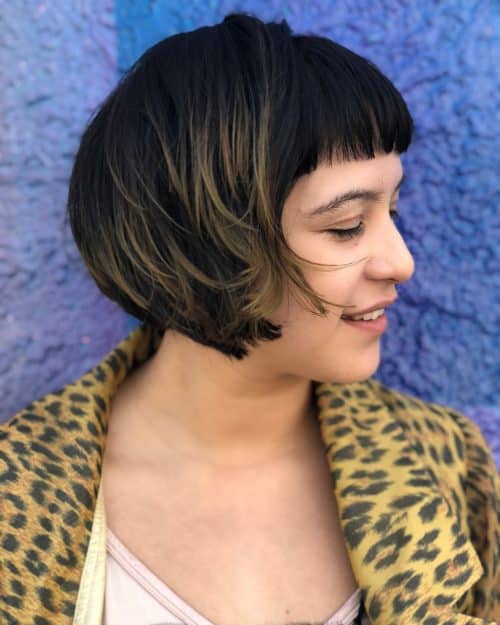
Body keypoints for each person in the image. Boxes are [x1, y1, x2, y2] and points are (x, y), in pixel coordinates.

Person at [0, 12, 498, 625]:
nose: (401, 262)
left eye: (391, 211)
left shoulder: (448, 467)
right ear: (204, 241)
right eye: (347, 227)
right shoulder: (19, 492)